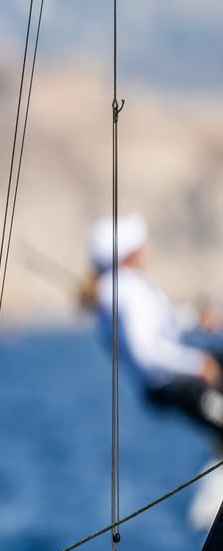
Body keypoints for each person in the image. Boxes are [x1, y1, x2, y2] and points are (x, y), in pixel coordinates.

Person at [83, 214, 223, 526]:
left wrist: (196, 318)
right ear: (129, 252)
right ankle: (212, 500)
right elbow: (148, 353)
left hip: (170, 380)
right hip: (169, 384)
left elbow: (163, 322)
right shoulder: (124, 292)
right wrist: (196, 364)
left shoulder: (124, 288)